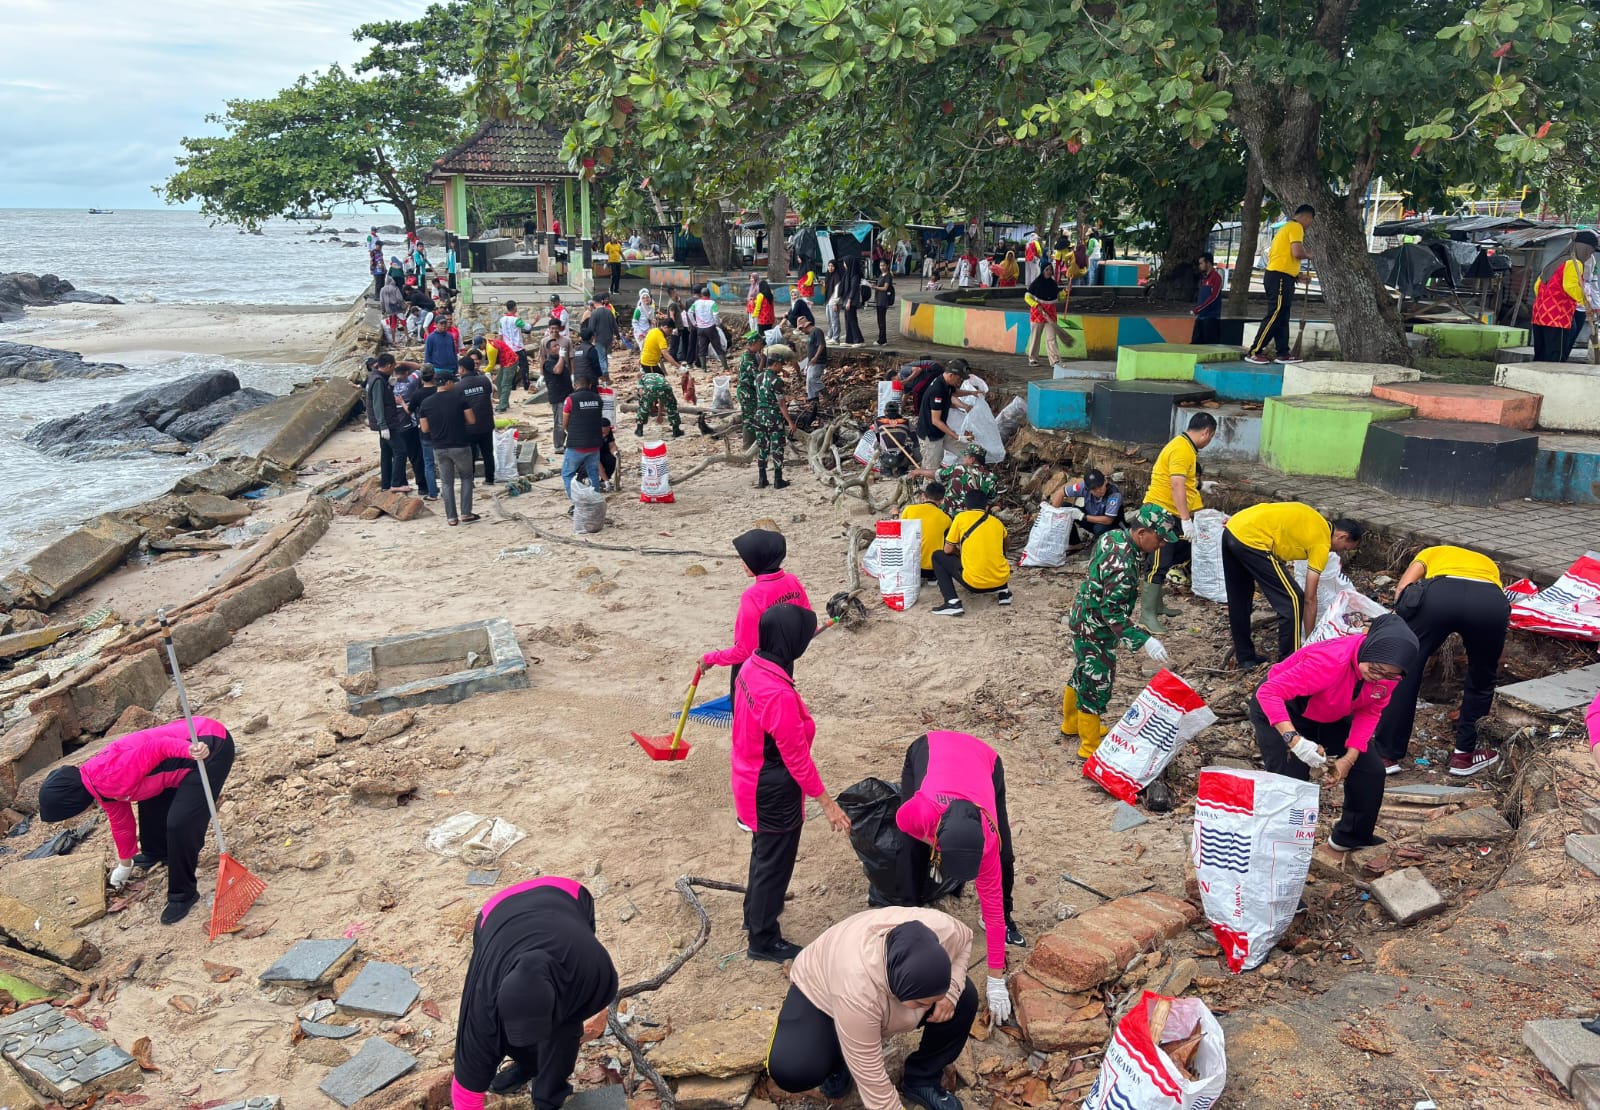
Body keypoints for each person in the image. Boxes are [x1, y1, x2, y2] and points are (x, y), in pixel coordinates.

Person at [731, 604, 852, 962]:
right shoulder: (778, 696)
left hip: (749, 773)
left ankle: (755, 913)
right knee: (776, 861)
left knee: (764, 853)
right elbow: (796, 757)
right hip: (772, 786)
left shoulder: (752, 665)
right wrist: (827, 804)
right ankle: (763, 939)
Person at [767, 908, 976, 1110]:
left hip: (879, 989)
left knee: (965, 998)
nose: (930, 1008)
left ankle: (922, 1079)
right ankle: (837, 1063)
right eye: (922, 1004)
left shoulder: (942, 928)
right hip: (820, 994)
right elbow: (874, 1083)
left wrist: (951, 992)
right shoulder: (857, 992)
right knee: (792, 1068)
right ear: (898, 992)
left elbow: (966, 938)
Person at [38, 717, 235, 926]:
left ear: (73, 802)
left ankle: (183, 894)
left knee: (180, 825)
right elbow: (121, 824)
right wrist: (125, 864)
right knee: (148, 798)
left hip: (208, 748)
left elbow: (158, 747)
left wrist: (188, 750)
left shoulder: (111, 775)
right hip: (181, 753)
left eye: (71, 813)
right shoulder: (96, 783)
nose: (76, 817)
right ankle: (156, 852)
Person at [1251, 614, 1419, 851]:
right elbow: (1269, 693)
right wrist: (1295, 740)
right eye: (1376, 669)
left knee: (1371, 770)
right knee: (1291, 780)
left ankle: (1351, 837)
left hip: (1333, 712)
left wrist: (1348, 759)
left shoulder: (1390, 676)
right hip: (1285, 708)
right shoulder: (1329, 662)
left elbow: (1370, 712)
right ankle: (1280, 847)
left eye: (1391, 675)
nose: (1379, 678)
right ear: (1367, 648)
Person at [451, 876, 618, 1110]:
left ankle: (550, 1097)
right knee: (507, 1037)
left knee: (563, 1032)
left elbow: (574, 1017)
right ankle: (530, 1066)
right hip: (495, 912)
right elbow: (465, 1096)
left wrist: (561, 1025)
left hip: (567, 895)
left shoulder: (593, 970)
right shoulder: (482, 1009)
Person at [896, 731, 1025, 997]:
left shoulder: (989, 840)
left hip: (984, 760)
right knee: (909, 848)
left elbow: (992, 910)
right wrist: (930, 843)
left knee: (1005, 856)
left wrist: (996, 979)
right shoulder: (919, 811)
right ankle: (908, 914)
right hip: (929, 747)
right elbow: (901, 822)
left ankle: (1011, 915)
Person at [1371, 545, 1511, 776]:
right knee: (1482, 680)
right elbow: (1498, 618)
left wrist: (1400, 622)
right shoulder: (1489, 566)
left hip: (1438, 599)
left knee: (1404, 672)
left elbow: (1403, 588)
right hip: (1489, 605)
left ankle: (1386, 756)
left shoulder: (1431, 552)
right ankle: (1464, 757)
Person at [1061, 505, 1178, 756]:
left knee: (1083, 669)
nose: (1161, 545)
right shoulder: (1123, 565)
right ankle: (1089, 747)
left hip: (1082, 615)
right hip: (1096, 627)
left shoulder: (1112, 537)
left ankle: (1071, 723)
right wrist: (1144, 641)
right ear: (1142, 533)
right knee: (1097, 680)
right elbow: (1112, 612)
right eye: (1159, 539)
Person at [1223, 504, 1363, 666]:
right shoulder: (1321, 543)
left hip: (1233, 528)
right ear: (1341, 536)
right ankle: (1289, 662)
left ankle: (1245, 658)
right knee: (1294, 600)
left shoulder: (1315, 520)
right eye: (1344, 548)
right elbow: (1310, 598)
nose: (1339, 553)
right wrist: (1312, 641)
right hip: (1252, 540)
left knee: (1239, 599)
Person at [702, 528, 812, 696]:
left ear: (758, 559)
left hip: (753, 670)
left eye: (746, 559)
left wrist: (710, 658)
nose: (742, 563)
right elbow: (807, 619)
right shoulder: (792, 581)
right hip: (784, 665)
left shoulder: (753, 597)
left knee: (747, 716)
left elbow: (744, 651)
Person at [1140, 411, 1218, 632]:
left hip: (1169, 512)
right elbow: (1176, 485)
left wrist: (1200, 486)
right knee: (1158, 562)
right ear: (1206, 432)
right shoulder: (1183, 450)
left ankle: (1157, 604)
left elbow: (1182, 480)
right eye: (1210, 437)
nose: (1209, 441)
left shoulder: (1185, 448)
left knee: (1172, 556)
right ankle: (1147, 615)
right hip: (1160, 513)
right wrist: (1186, 519)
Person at [1245, 205, 1314, 365]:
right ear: (1307, 217)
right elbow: (1297, 252)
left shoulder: (1286, 228)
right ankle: (1255, 351)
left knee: (1283, 315)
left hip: (1282, 276)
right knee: (1276, 313)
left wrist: (1297, 276)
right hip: (1279, 277)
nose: (1309, 224)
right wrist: (1308, 255)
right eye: (1310, 221)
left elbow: (1284, 258)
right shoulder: (1296, 227)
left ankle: (1283, 353)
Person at [931, 488, 1011, 616]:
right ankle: (1004, 593)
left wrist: (960, 553)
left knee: (937, 555)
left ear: (966, 506)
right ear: (986, 507)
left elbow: (948, 550)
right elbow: (1007, 544)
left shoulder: (961, 517)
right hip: (1000, 580)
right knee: (996, 551)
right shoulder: (997, 522)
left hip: (975, 584)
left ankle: (952, 602)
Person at [419, 367, 478, 526]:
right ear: (448, 383)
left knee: (446, 482)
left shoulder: (426, 403)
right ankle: (466, 513)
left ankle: (451, 517)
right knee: (466, 477)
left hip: (439, 446)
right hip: (460, 445)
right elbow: (472, 420)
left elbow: (424, 428)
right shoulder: (459, 398)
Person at [1530, 230, 1598, 362]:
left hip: (1540, 315)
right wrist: (1586, 303)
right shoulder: (1574, 264)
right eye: (1589, 252)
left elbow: (1537, 286)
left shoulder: (1556, 262)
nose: (1589, 256)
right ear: (1584, 249)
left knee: (1541, 355)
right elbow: (1570, 287)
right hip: (1558, 318)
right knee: (1555, 357)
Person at [752, 343, 801, 489]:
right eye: (781, 365)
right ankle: (778, 480)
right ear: (776, 364)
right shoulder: (777, 381)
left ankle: (762, 479)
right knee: (777, 447)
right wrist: (790, 422)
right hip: (773, 417)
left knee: (763, 447)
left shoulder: (758, 378)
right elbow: (781, 405)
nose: (782, 368)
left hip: (759, 416)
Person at [916, 361, 972, 471]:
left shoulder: (947, 384)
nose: (960, 381)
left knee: (966, 452)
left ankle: (969, 476)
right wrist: (956, 436)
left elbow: (955, 392)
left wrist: (972, 393)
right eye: (959, 379)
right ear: (951, 375)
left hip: (941, 431)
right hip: (930, 436)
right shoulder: (937, 390)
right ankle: (928, 486)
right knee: (931, 468)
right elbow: (936, 421)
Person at [365, 355, 411, 492]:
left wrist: (389, 385)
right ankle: (396, 483)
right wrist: (383, 425)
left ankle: (386, 484)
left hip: (383, 423)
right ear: (389, 365)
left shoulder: (376, 377)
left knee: (386, 453)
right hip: (387, 423)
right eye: (393, 367)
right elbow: (377, 404)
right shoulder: (378, 381)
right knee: (401, 451)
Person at [635, 313, 683, 438]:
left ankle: (639, 427)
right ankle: (662, 417)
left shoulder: (653, 330)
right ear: (666, 327)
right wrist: (679, 367)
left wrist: (640, 357)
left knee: (647, 398)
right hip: (650, 364)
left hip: (647, 362)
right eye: (670, 330)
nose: (670, 333)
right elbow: (666, 355)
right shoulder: (661, 337)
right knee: (664, 395)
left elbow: (645, 343)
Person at [394, 358, 436, 499]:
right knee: (420, 458)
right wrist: (404, 361)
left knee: (403, 456)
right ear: (407, 372)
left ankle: (400, 483)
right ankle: (423, 486)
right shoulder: (411, 383)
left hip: (397, 425)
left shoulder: (390, 384)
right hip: (413, 424)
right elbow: (422, 368)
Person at [561, 372, 606, 499]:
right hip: (594, 444)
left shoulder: (570, 399)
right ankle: (595, 500)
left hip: (576, 445)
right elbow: (599, 417)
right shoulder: (598, 399)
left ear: (575, 386)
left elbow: (565, 421)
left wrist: (568, 431)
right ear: (590, 385)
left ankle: (576, 503)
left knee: (567, 473)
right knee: (593, 473)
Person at [458, 354, 498, 486]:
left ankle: (470, 481)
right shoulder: (484, 381)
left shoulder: (459, 387)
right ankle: (489, 479)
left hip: (469, 426)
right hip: (486, 423)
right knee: (488, 453)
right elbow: (488, 395)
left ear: (462, 369)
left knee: (470, 455)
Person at [902, 481, 952, 581]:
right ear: (942, 500)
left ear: (923, 496)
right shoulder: (946, 518)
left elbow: (901, 531)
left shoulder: (909, 510)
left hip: (910, 567)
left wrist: (895, 514)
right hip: (932, 570)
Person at [1023, 268, 1071, 369]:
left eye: (1050, 270)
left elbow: (1058, 298)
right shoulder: (1036, 284)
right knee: (1035, 337)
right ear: (1042, 271)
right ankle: (1033, 359)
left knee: (1051, 338)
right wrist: (1036, 304)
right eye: (1047, 270)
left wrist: (1065, 292)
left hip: (1051, 314)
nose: (1049, 272)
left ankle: (1055, 360)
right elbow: (1027, 297)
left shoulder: (1053, 284)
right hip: (1037, 313)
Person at [1060, 468, 1123, 539]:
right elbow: (1060, 493)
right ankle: (1075, 544)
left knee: (1098, 529)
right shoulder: (1083, 487)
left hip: (1111, 525)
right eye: (1094, 489)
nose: (1099, 491)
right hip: (1090, 518)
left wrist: (1082, 516)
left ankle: (1102, 545)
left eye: (1100, 486)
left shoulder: (1114, 494)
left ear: (1105, 481)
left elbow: (1108, 520)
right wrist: (1052, 513)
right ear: (1087, 488)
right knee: (1065, 507)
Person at [540, 321, 574, 454]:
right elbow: (558, 371)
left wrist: (572, 376)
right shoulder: (549, 363)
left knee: (568, 420)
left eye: (558, 346)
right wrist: (561, 357)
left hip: (567, 394)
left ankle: (565, 443)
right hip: (558, 397)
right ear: (549, 350)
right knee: (559, 422)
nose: (558, 348)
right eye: (555, 347)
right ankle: (558, 446)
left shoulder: (567, 341)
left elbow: (566, 368)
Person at [797, 316, 827, 426]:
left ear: (806, 326)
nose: (802, 331)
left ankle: (824, 392)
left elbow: (821, 345)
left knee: (812, 379)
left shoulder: (817, 331)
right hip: (811, 362)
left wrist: (815, 357)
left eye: (801, 329)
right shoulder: (810, 334)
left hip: (818, 361)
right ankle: (813, 401)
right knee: (808, 382)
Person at [735, 330, 763, 449]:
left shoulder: (749, 355)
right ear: (755, 343)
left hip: (748, 390)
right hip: (746, 392)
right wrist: (762, 361)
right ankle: (747, 446)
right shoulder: (748, 359)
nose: (761, 345)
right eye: (760, 343)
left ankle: (752, 444)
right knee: (749, 419)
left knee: (752, 417)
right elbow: (758, 376)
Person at [690, 285, 728, 372]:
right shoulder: (712, 303)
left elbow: (689, 312)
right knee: (718, 347)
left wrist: (694, 323)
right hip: (711, 328)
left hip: (700, 328)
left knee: (702, 348)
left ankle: (704, 368)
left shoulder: (696, 303)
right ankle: (725, 367)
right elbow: (715, 314)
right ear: (709, 295)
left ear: (701, 295)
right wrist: (717, 323)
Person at [499, 302, 533, 392]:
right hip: (518, 348)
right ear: (515, 308)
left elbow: (500, 335)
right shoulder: (516, 320)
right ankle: (526, 385)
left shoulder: (501, 320)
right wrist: (534, 322)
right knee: (524, 367)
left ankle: (512, 386)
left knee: (511, 368)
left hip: (508, 348)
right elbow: (527, 327)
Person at [1191, 252, 1224, 344]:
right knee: (1195, 342)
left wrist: (1199, 308)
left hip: (1211, 317)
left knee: (1209, 344)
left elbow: (1214, 296)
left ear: (1208, 263)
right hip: (1201, 316)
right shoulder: (1204, 278)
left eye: (1201, 263)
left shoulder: (1216, 277)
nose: (1200, 266)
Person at [426, 312, 460, 377]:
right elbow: (428, 355)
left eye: (445, 323)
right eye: (441, 323)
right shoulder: (431, 337)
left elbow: (453, 352)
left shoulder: (450, 336)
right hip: (438, 369)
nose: (444, 325)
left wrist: (456, 366)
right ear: (435, 324)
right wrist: (429, 371)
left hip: (451, 369)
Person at [843, 257, 867, 346]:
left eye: (845, 263)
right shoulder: (847, 274)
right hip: (846, 300)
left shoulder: (855, 276)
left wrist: (849, 301)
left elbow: (853, 289)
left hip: (851, 301)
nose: (844, 265)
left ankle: (859, 339)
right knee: (847, 320)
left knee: (852, 320)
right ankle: (849, 339)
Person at [870, 261, 895, 345]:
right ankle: (882, 338)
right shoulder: (881, 275)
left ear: (887, 265)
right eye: (880, 265)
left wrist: (875, 287)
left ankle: (882, 339)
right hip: (879, 300)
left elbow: (885, 288)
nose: (882, 267)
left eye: (883, 265)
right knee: (880, 320)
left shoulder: (888, 276)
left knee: (881, 321)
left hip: (883, 300)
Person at [823, 259, 844, 342]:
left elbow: (837, 290)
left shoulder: (837, 276)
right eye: (829, 266)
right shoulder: (828, 275)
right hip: (828, 301)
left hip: (834, 301)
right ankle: (830, 334)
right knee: (829, 319)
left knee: (834, 319)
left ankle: (836, 337)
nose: (830, 268)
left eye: (832, 266)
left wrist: (836, 303)